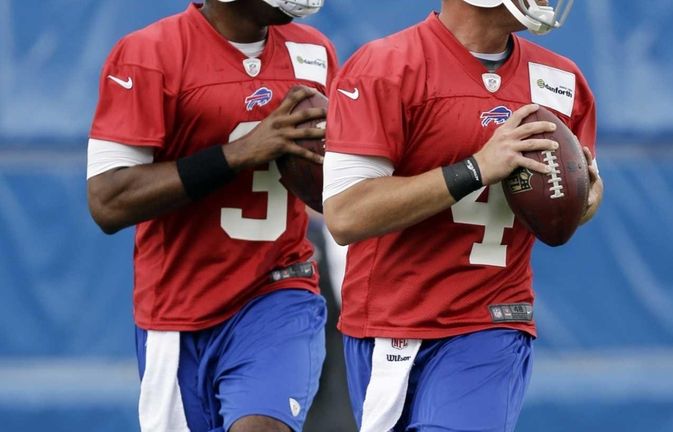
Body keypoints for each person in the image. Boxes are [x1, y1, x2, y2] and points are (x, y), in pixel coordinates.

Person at [322, 0, 602, 430]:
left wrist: (584, 201)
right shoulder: (385, 66)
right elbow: (346, 215)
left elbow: (561, 207)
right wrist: (475, 169)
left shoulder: (560, 81)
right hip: (391, 322)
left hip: (492, 322)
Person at [86, 0, 337, 431]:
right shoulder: (149, 53)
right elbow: (108, 201)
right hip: (179, 310)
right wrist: (239, 154)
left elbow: (332, 191)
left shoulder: (315, 51)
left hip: (279, 292)